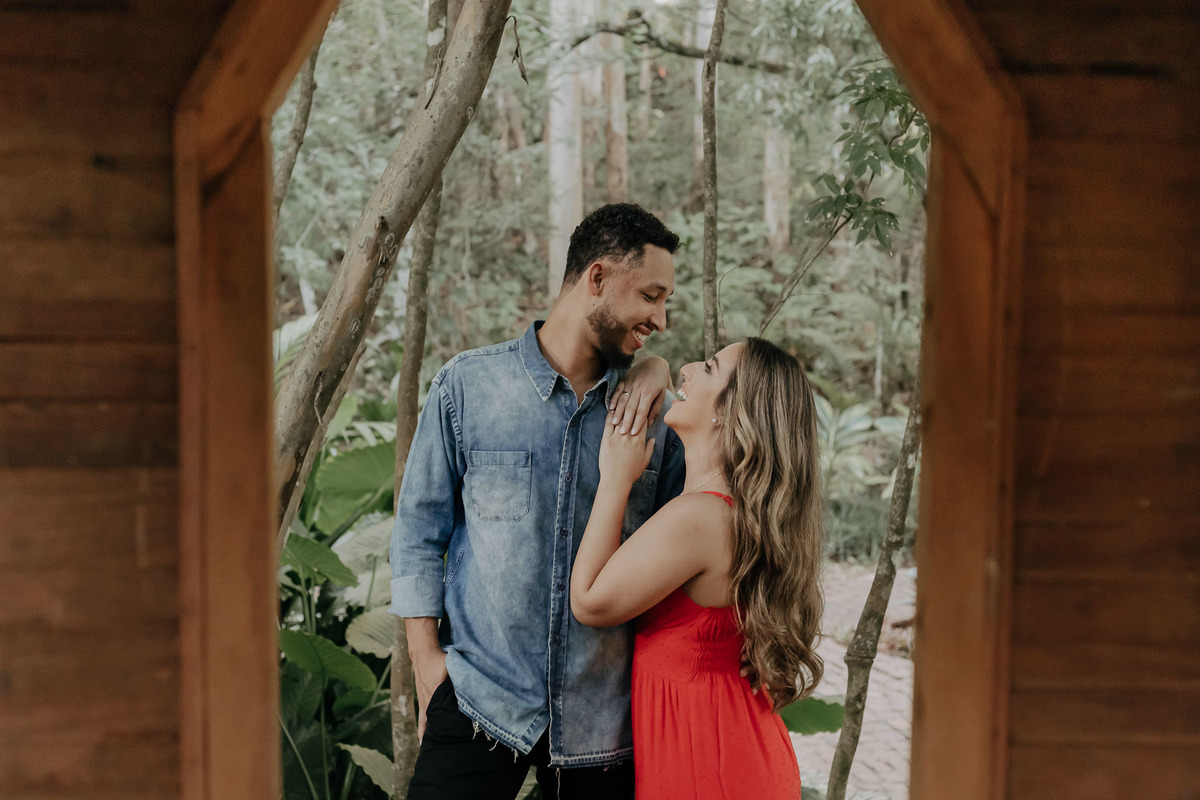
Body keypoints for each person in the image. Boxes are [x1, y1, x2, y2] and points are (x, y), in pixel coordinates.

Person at [389, 203, 687, 800]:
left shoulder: (661, 422)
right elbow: (420, 531)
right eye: (651, 296)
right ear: (597, 278)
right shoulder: (467, 387)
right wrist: (426, 662)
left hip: (604, 728)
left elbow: (678, 562)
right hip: (479, 699)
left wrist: (660, 373)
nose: (660, 318)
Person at [571, 337, 825, 799]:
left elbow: (589, 601)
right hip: (730, 745)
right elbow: (665, 380)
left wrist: (615, 480)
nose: (688, 368)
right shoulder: (738, 511)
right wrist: (652, 364)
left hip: (709, 762)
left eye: (708, 367)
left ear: (729, 412)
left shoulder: (700, 518)